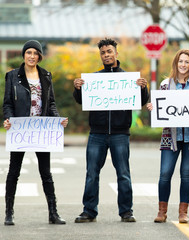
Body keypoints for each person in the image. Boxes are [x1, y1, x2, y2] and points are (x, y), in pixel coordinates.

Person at [73, 38, 149, 223]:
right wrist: (78, 89)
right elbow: (81, 100)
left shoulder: (129, 79)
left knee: (123, 173)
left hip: (120, 133)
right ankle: (89, 211)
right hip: (97, 133)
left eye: (109, 51)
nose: (106, 55)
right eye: (103, 53)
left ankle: (126, 211)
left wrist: (143, 88)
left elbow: (140, 101)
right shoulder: (94, 79)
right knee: (92, 173)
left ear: (116, 53)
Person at [147, 49, 189, 224]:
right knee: (165, 173)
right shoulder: (165, 85)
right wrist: (154, 109)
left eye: (187, 62)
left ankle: (183, 212)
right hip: (171, 136)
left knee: (186, 174)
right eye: (181, 61)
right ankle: (162, 211)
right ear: (175, 63)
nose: (183, 65)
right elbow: (161, 114)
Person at [2, 40, 68, 226]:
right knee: (13, 172)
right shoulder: (13, 76)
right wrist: (8, 119)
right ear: (24, 55)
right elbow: (7, 103)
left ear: (39, 56)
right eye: (28, 52)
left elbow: (52, 103)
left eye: (35, 53)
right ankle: (9, 212)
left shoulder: (46, 75)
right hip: (20, 130)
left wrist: (57, 120)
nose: (32, 56)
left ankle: (53, 213)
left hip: (41, 130)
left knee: (46, 172)